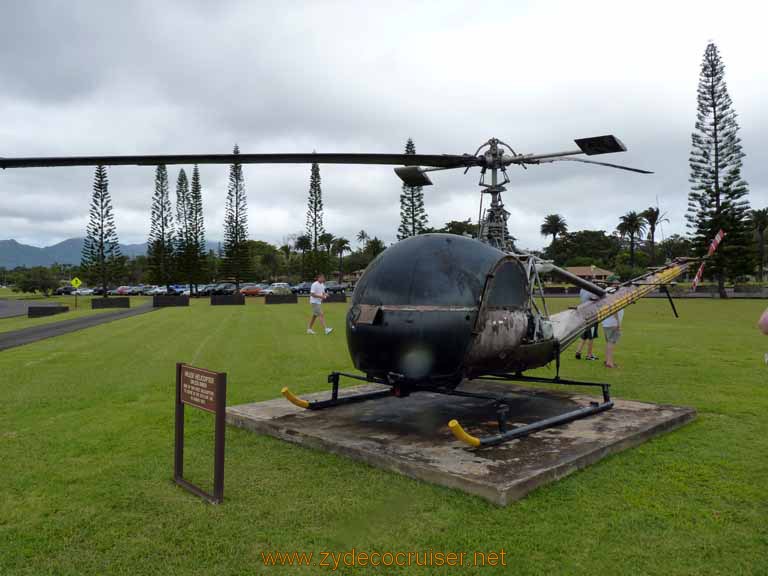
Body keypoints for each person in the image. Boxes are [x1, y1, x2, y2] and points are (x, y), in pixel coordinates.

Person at [602, 276, 623, 368]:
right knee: (611, 342)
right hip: (612, 322)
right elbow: (614, 308)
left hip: (606, 322)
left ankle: (607, 361)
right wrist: (618, 322)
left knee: (608, 342)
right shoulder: (613, 292)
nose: (618, 283)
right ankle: (610, 363)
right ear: (612, 283)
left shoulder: (605, 291)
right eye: (616, 282)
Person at [574, 287, 599, 360]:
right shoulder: (591, 290)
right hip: (591, 315)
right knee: (591, 337)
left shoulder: (582, 289)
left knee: (584, 336)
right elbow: (595, 298)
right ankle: (589, 355)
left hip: (584, 314)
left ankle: (578, 352)